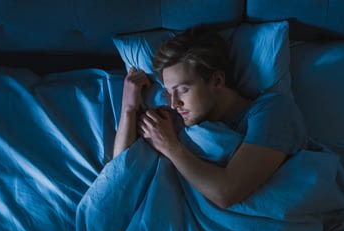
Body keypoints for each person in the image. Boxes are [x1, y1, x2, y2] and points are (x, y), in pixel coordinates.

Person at [112, 25, 307, 208]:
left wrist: (170, 146)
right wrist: (128, 108)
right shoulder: (179, 116)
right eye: (169, 92)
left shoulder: (273, 111)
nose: (174, 103)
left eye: (183, 90)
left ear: (217, 81)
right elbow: (120, 174)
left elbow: (227, 193)